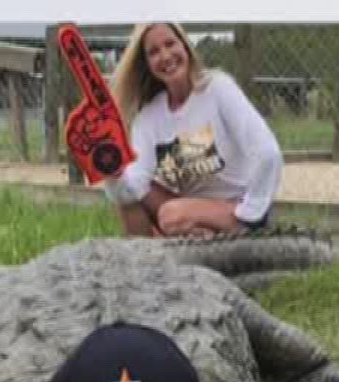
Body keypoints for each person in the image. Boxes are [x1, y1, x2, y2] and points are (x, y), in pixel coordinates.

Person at [101, 23, 284, 238]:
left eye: (170, 44)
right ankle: (148, 261)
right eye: (154, 52)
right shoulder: (149, 117)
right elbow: (134, 186)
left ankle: (224, 241)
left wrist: (250, 213)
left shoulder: (218, 88)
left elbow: (268, 152)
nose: (166, 55)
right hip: (191, 210)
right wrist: (112, 173)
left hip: (236, 208)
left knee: (171, 215)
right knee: (129, 199)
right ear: (147, 64)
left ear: (185, 46)